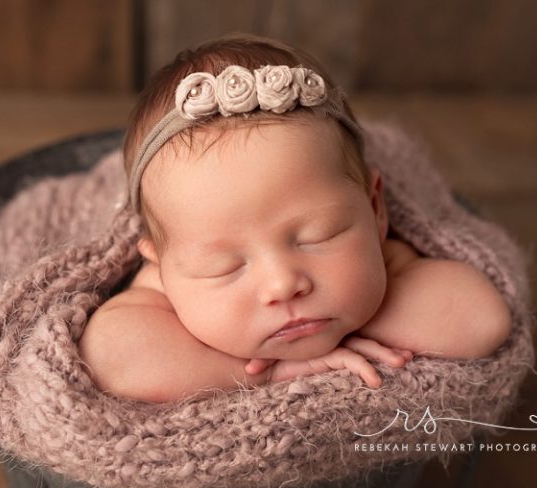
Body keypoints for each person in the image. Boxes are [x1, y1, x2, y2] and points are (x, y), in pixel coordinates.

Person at [79, 33, 512, 403]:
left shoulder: (387, 257)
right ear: (161, 263)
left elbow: (481, 319)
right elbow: (111, 357)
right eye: (225, 266)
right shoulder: (160, 289)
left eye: (318, 236)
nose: (282, 284)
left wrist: (351, 318)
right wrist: (270, 373)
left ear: (376, 209)